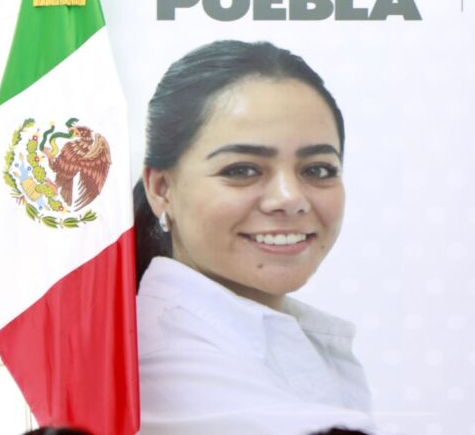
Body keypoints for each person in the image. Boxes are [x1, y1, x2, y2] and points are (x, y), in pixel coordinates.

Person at [133, 40, 375, 435]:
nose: (290, 198)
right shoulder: (166, 367)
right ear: (161, 188)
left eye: (317, 169)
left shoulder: (294, 339)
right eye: (242, 170)